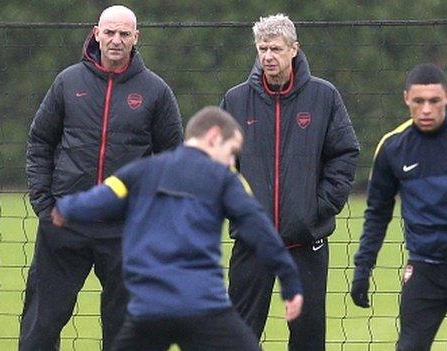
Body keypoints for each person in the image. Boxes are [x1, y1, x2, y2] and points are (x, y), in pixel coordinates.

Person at [52, 106, 303, 351]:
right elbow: (260, 230)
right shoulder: (225, 179)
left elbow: (97, 200)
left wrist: (65, 209)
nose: (231, 161)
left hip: (148, 310)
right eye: (231, 152)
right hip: (203, 306)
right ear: (214, 136)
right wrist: (289, 279)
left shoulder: (141, 171)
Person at [19, 5, 184, 350]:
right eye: (109, 32)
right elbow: (40, 141)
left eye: (124, 34)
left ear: (136, 38)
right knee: (41, 324)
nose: (116, 40)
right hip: (65, 221)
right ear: (96, 32)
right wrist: (43, 203)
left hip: (125, 230)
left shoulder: (156, 91)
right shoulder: (67, 82)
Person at [220, 13, 360, 350]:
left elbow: (345, 152)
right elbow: (217, 161)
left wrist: (318, 208)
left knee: (308, 339)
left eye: (276, 49)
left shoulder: (324, 96)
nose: (268, 56)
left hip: (306, 245)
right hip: (252, 245)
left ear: (294, 49)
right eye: (262, 48)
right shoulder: (236, 100)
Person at [351, 63, 447, 350]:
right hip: (425, 269)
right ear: (406, 99)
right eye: (419, 101)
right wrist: (363, 268)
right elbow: (377, 213)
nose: (426, 109)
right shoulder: (393, 148)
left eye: (434, 101)